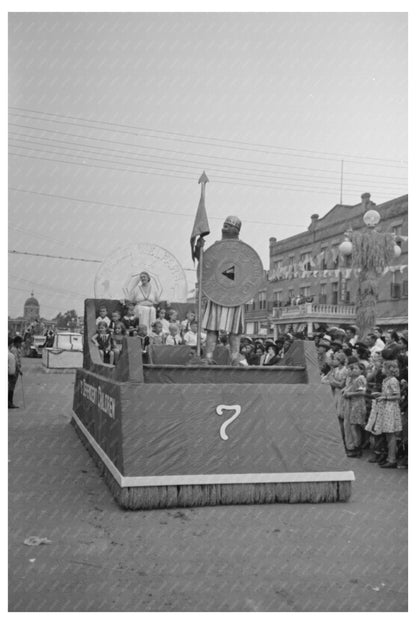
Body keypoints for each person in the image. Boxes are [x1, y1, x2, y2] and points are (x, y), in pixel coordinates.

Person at [201, 216, 245, 365]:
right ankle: (208, 357)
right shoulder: (216, 247)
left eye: (227, 226)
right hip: (218, 292)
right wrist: (199, 249)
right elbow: (205, 265)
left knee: (235, 330)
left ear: (235, 229)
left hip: (235, 294)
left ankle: (234, 358)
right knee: (212, 328)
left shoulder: (243, 250)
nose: (223, 228)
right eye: (224, 225)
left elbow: (247, 271)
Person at [365, 360, 402, 468]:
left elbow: (397, 396)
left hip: (390, 408)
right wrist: (380, 394)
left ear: (388, 369)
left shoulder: (393, 380)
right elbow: (388, 393)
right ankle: (387, 456)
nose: (382, 369)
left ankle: (392, 459)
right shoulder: (386, 380)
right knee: (386, 434)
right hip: (385, 408)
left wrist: (385, 397)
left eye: (383, 367)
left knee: (391, 434)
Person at [340, 357, 367, 457]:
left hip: (358, 404)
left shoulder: (360, 378)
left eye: (356, 368)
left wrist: (349, 394)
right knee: (354, 426)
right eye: (353, 368)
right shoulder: (354, 379)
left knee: (355, 426)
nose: (354, 370)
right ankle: (356, 448)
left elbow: (362, 392)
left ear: (361, 370)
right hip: (353, 404)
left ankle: (357, 449)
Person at [8, 338, 19, 409]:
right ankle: (10, 403)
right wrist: (17, 370)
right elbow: (15, 362)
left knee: (11, 387)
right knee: (11, 387)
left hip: (13, 370)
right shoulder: (12, 351)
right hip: (13, 371)